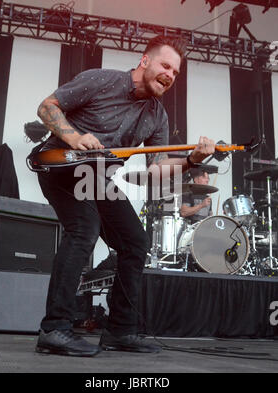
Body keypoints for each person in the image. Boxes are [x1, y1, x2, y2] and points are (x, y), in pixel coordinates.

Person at [32, 34, 215, 357]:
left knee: (135, 242)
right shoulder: (101, 81)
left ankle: (120, 330)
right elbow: (47, 107)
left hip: (96, 178)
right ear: (144, 61)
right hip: (60, 166)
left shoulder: (157, 116)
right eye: (166, 66)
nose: (170, 75)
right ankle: (54, 328)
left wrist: (191, 161)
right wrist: (74, 137)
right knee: (84, 227)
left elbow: (155, 171)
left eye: (176, 72)